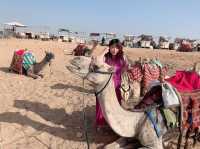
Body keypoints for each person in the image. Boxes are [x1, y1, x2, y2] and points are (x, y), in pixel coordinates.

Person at [96, 39, 129, 129]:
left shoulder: (123, 57)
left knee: (115, 104)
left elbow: (126, 67)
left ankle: (113, 123)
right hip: (104, 84)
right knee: (102, 103)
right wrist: (103, 51)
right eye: (112, 47)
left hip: (116, 84)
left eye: (116, 48)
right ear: (109, 47)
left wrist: (117, 69)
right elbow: (97, 61)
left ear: (119, 48)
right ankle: (101, 123)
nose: (114, 50)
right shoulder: (106, 57)